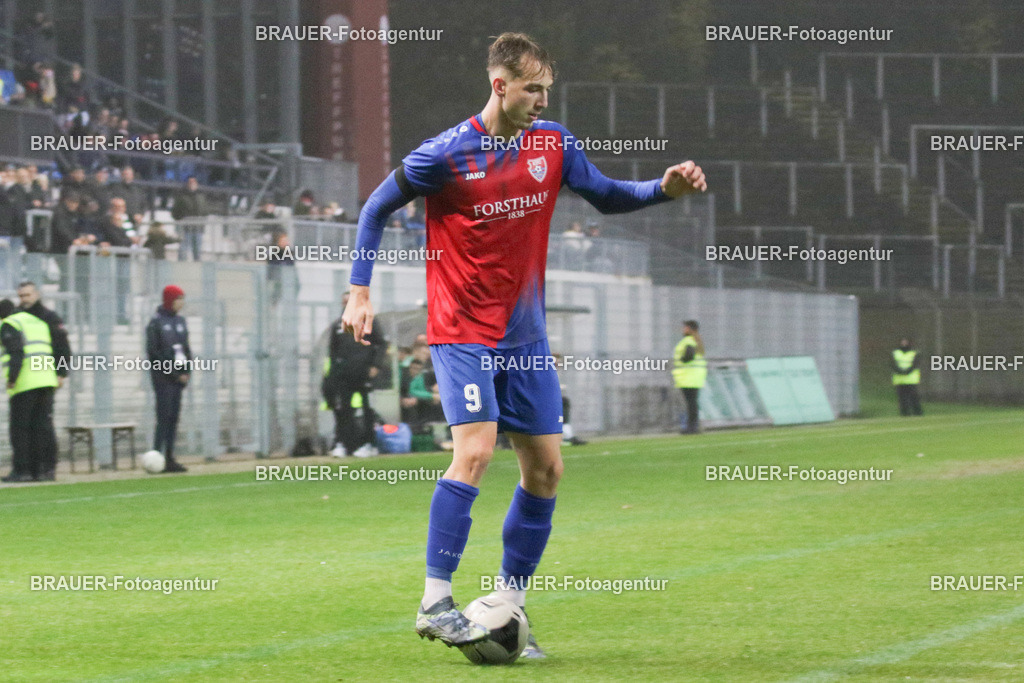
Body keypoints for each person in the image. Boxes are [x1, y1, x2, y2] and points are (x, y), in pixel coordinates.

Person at [340, 32, 707, 653]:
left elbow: (607, 195)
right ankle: (434, 600)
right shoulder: (446, 153)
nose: (542, 100)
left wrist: (662, 189)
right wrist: (359, 291)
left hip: (525, 335)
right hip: (462, 327)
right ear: (499, 84)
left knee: (546, 468)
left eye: (547, 89)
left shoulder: (553, 144)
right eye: (532, 88)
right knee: (477, 451)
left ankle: (508, 603)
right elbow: (376, 206)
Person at [1, 282, 71, 482]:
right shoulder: (37, 321)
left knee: (24, 428)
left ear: (37, 294)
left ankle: (27, 470)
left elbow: (62, 347)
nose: (24, 299)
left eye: (27, 295)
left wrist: (62, 372)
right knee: (42, 426)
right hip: (45, 378)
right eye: (21, 296)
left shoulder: (33, 319)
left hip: (27, 380)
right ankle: (42, 470)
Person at [324, 291, 387, 458]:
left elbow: (381, 344)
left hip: (364, 373)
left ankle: (368, 444)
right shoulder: (338, 325)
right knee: (344, 410)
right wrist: (333, 373)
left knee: (367, 410)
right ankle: (345, 444)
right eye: (344, 302)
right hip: (344, 376)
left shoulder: (369, 321)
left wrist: (375, 365)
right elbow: (333, 351)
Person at [145, 285, 192, 472]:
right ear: (169, 300)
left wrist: (187, 371)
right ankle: (157, 457)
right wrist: (173, 373)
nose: (181, 303)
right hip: (163, 378)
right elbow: (154, 353)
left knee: (173, 417)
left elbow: (186, 349)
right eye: (178, 299)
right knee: (163, 417)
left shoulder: (180, 321)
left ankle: (170, 458)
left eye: (182, 299)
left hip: (179, 378)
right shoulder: (156, 323)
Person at [673, 320, 707, 434]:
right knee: (692, 402)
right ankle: (694, 426)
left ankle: (691, 427)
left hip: (688, 377)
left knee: (690, 403)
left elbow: (689, 355)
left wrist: (681, 359)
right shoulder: (696, 340)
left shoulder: (688, 340)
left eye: (685, 327)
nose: (683, 329)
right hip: (695, 376)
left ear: (690, 329)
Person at [171, 177, 207, 261]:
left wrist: (202, 220)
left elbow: (205, 210)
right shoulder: (182, 196)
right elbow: (175, 211)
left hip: (198, 227)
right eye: (190, 182)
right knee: (184, 247)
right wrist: (181, 220)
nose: (192, 184)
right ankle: (181, 264)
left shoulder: (201, 196)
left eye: (194, 182)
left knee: (197, 248)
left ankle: (197, 264)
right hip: (185, 228)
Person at [892, 337, 923, 416]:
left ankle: (917, 412)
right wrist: (900, 371)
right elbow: (892, 364)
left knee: (914, 397)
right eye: (903, 342)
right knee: (902, 398)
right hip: (899, 380)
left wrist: (907, 371)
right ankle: (905, 413)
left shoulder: (914, 353)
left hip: (911, 380)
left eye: (905, 342)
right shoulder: (895, 353)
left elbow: (915, 364)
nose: (904, 344)